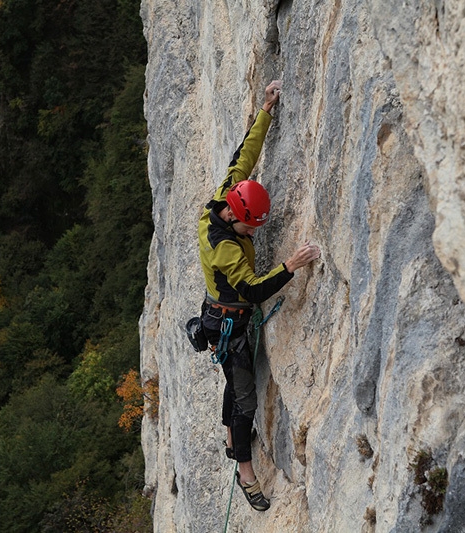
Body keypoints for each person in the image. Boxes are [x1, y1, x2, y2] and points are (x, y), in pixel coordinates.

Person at [198, 80, 320, 511]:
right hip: (228, 322)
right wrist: (290, 266)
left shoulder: (226, 194)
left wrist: (266, 109)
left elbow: (245, 154)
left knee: (235, 382)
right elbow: (251, 289)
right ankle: (245, 472)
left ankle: (232, 436)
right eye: (253, 228)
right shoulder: (226, 248)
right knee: (245, 395)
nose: (254, 233)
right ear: (236, 220)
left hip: (222, 316)